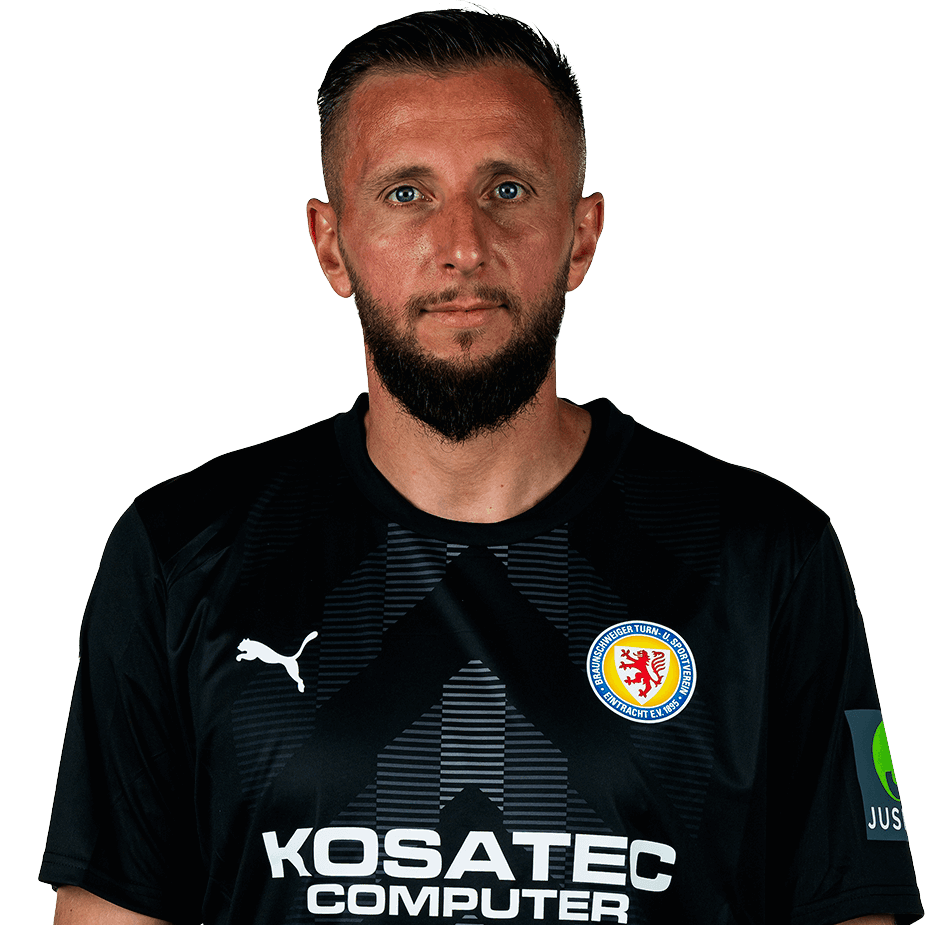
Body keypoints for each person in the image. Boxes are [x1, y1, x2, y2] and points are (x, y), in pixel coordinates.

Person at [40, 8, 920, 925]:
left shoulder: (764, 556)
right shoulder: (182, 551)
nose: (461, 244)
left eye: (506, 188)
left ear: (580, 235)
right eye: (405, 193)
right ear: (331, 244)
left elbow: (850, 908)